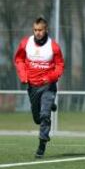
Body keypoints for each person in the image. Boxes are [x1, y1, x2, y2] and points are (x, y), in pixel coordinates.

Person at [14, 17, 64, 158]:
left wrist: (50, 77)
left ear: (46, 30)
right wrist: (23, 76)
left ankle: (42, 145)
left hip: (48, 86)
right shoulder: (26, 43)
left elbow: (60, 66)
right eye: (35, 30)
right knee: (37, 119)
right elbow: (19, 60)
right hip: (33, 86)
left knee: (44, 115)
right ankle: (49, 106)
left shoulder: (53, 46)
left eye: (40, 30)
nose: (38, 33)